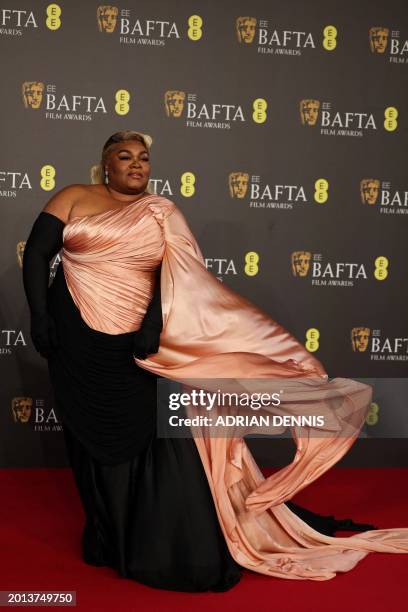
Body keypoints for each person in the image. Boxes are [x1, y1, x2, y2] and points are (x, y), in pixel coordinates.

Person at [22, 130, 408, 591]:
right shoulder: (71, 197)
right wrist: (40, 315)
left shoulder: (162, 212)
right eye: (124, 157)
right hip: (75, 339)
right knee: (88, 438)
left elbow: (182, 279)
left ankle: (163, 547)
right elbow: (38, 255)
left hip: (137, 348)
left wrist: (151, 325)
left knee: (154, 437)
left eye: (144, 158)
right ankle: (108, 537)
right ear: (105, 165)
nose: (137, 165)